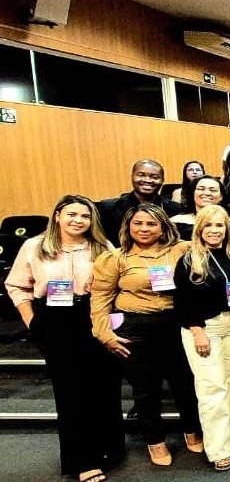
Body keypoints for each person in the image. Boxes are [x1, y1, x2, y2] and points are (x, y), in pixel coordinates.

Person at [5, 195, 123, 482]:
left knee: (104, 386)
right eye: (72, 214)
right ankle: (82, 461)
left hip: (93, 316)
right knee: (70, 390)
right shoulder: (34, 246)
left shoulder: (102, 246)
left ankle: (108, 449)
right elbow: (16, 285)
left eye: (85, 216)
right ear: (58, 215)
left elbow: (116, 284)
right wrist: (33, 322)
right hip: (54, 320)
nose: (78, 220)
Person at [90, 204, 202, 466]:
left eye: (151, 224)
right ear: (128, 226)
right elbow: (100, 298)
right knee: (145, 390)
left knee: (185, 385)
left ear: (163, 227)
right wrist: (104, 334)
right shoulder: (116, 257)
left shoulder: (182, 250)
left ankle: (193, 431)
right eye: (138, 223)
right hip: (136, 327)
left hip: (177, 325)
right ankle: (155, 441)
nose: (144, 229)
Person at [173, 205, 230, 471]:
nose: (214, 230)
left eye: (219, 225)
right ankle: (218, 449)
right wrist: (197, 331)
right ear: (199, 229)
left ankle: (226, 433)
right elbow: (182, 301)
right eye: (208, 225)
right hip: (204, 329)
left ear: (226, 229)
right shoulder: (189, 261)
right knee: (212, 389)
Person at [97, 160, 184, 239]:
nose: (147, 180)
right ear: (132, 177)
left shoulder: (175, 209)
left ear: (162, 180)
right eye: (141, 175)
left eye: (154, 177)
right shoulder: (109, 208)